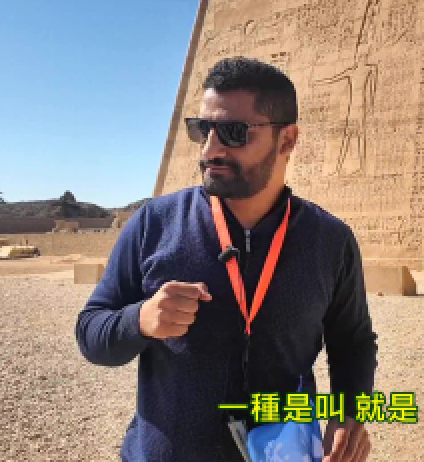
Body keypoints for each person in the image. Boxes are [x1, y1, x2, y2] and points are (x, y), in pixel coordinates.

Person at [75, 57, 378, 462]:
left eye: (234, 133)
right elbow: (91, 332)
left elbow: (353, 343)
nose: (210, 149)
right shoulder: (154, 223)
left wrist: (349, 414)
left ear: (287, 140)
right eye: (202, 130)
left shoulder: (330, 241)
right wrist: (141, 320)